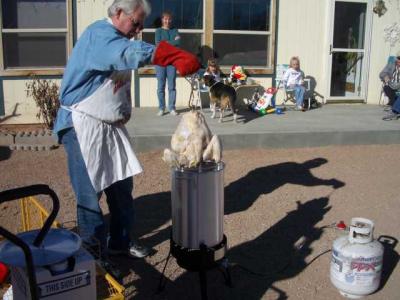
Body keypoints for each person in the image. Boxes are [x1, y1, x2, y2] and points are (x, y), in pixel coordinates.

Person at [155, 11, 180, 116]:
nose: (167, 21)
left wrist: (166, 43)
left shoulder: (175, 30)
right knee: (161, 86)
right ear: (162, 20)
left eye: (169, 19)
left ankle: (172, 108)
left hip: (172, 62)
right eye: (165, 19)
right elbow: (158, 44)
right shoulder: (158, 31)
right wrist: (172, 42)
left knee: (172, 86)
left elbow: (178, 44)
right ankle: (161, 108)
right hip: (160, 62)